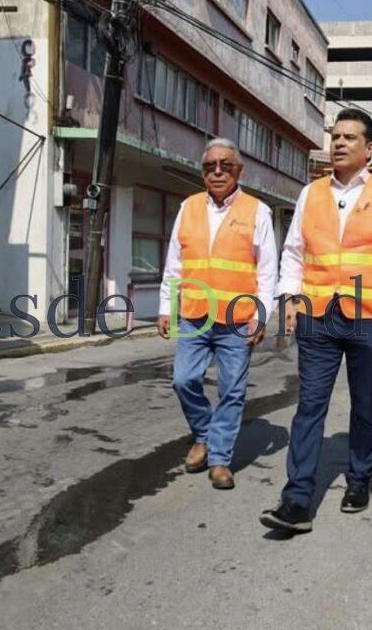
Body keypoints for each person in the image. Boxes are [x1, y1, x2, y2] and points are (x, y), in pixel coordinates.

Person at [259, 109, 372, 533]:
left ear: (369, 149)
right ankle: (297, 499)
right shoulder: (311, 194)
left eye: (350, 137)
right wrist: (288, 297)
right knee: (310, 405)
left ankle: (359, 479)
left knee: (364, 404)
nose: (339, 143)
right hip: (317, 315)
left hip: (371, 316)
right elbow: (294, 252)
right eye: (336, 136)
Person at [157, 139, 277, 490]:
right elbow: (174, 264)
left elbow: (267, 271)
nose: (218, 171)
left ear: (239, 170)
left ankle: (220, 459)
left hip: (238, 320)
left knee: (232, 391)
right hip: (195, 315)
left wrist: (261, 316)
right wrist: (166, 307)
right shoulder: (188, 207)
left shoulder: (258, 211)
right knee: (183, 380)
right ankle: (204, 434)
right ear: (203, 172)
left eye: (226, 165)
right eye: (210, 166)